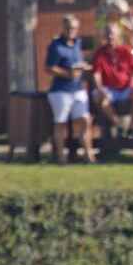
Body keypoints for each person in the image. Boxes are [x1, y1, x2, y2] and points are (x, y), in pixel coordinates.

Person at [44, 14, 96, 164]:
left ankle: (88, 155)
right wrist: (67, 74)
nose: (71, 30)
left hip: (77, 88)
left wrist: (83, 68)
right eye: (68, 28)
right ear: (63, 28)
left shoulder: (77, 44)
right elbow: (49, 67)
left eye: (73, 28)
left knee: (85, 119)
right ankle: (61, 156)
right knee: (61, 122)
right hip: (61, 90)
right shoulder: (56, 45)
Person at [91, 24, 133, 137]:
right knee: (101, 98)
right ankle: (118, 125)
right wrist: (100, 89)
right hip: (109, 90)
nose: (110, 37)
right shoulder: (100, 53)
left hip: (126, 89)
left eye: (112, 34)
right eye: (108, 34)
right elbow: (96, 74)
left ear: (118, 36)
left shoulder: (125, 51)